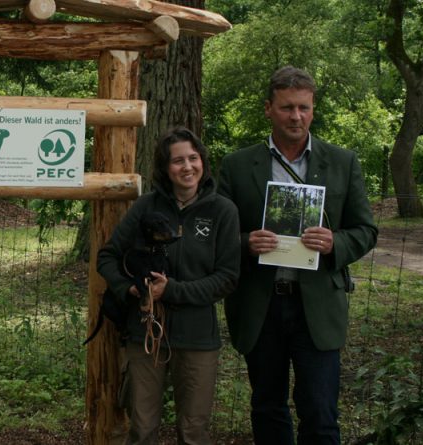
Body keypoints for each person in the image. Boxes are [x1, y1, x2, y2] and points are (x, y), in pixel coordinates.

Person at [217, 66, 378, 444]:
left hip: (317, 307)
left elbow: (366, 231)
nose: (296, 116)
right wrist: (245, 242)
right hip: (261, 305)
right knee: (267, 408)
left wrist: (335, 242)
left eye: (304, 108)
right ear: (268, 109)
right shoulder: (238, 166)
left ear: (313, 108)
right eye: (287, 107)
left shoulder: (342, 162)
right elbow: (216, 234)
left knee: (320, 413)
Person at [97, 126, 240, 445]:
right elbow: (107, 256)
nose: (187, 167)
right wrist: (130, 289)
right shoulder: (147, 206)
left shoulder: (223, 211)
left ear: (203, 161)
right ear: (165, 167)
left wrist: (172, 290)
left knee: (193, 430)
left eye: (193, 158)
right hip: (145, 329)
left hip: (197, 335)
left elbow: (227, 277)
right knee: (143, 427)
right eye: (178, 161)